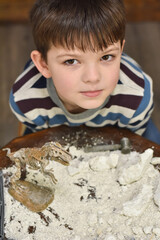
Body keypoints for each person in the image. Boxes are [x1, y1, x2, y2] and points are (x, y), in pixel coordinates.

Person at [9, 0, 160, 144]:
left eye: (106, 57)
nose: (93, 77)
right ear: (44, 64)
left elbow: (132, 147)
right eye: (71, 61)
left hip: (125, 123)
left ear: (120, 51)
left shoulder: (137, 97)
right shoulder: (25, 100)